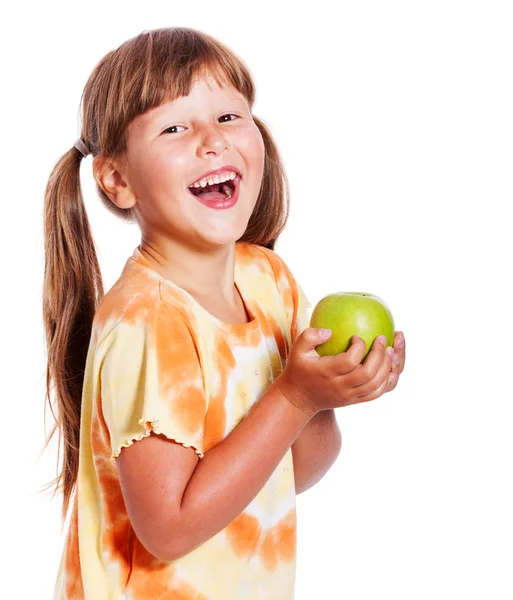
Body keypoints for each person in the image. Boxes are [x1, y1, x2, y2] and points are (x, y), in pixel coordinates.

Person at [41, 26, 406, 599]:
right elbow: (169, 527)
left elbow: (293, 473)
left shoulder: (269, 282)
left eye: (229, 117)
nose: (212, 141)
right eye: (175, 127)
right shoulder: (147, 321)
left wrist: (326, 395)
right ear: (117, 179)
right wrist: (294, 396)